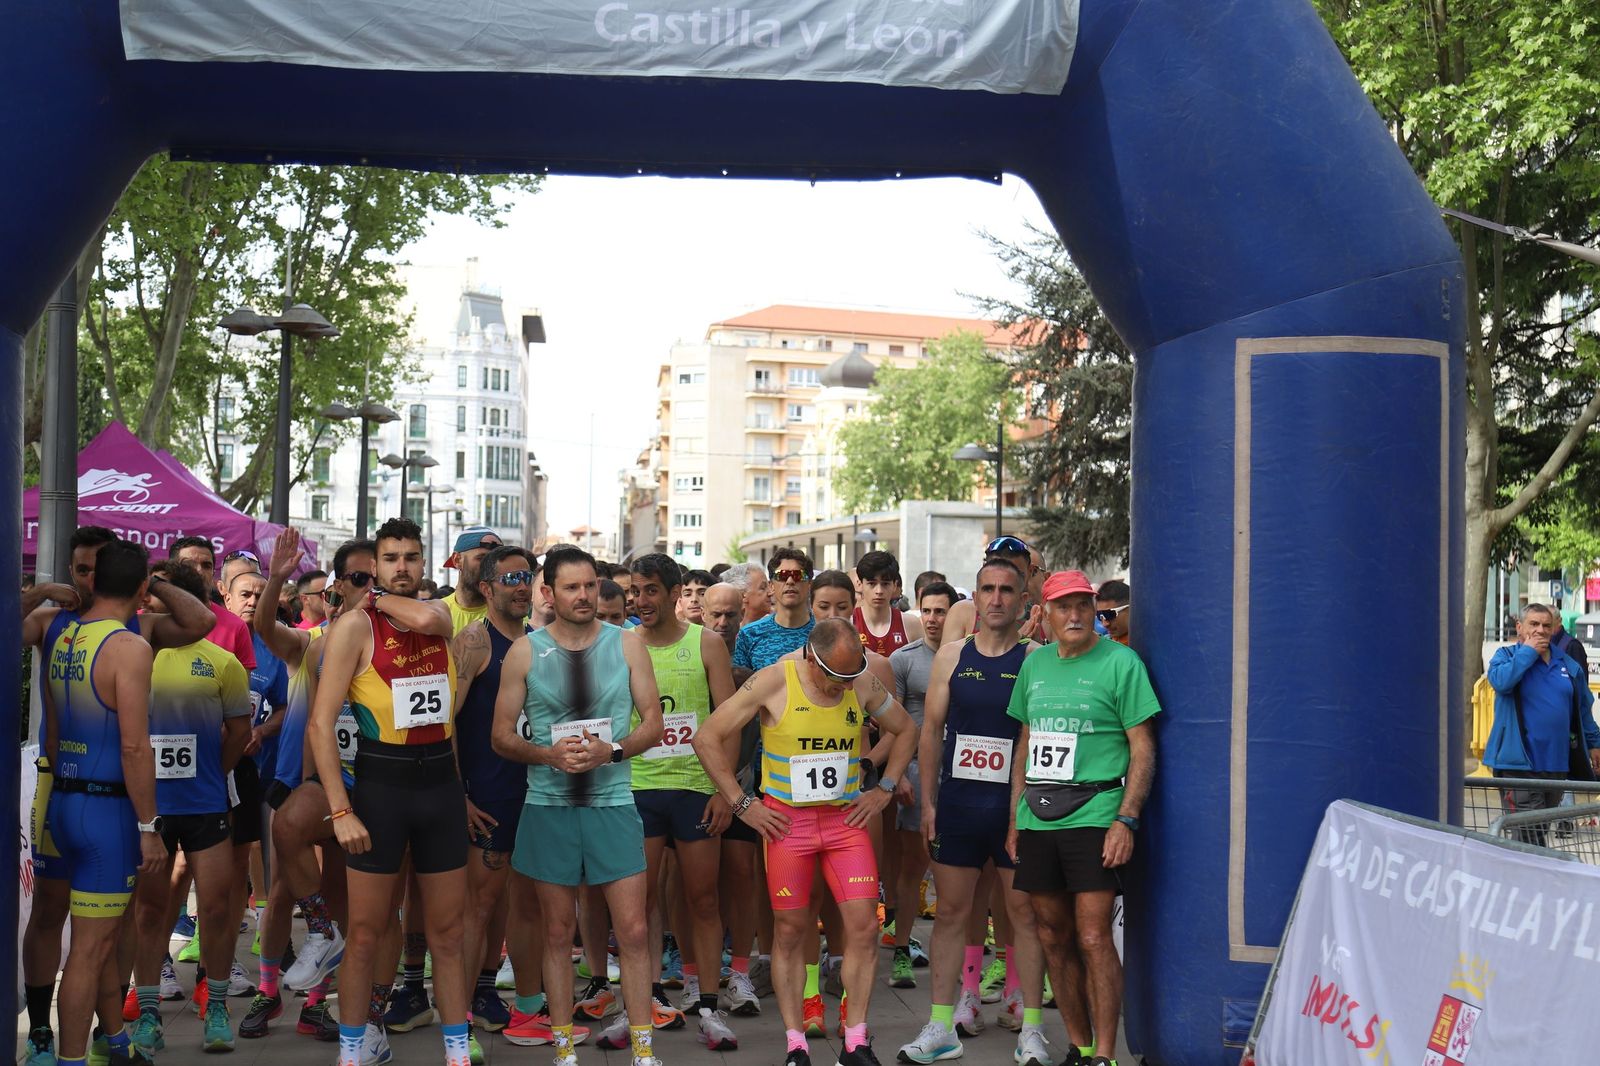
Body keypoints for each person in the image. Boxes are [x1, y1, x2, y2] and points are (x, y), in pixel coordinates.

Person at [695, 618, 918, 1066]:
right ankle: (796, 1043)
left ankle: (856, 1039)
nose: (844, 685)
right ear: (811, 659)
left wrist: (885, 788)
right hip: (787, 825)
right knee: (792, 932)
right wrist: (741, 804)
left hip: (844, 821)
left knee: (865, 928)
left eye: (851, 675)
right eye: (835, 675)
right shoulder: (774, 680)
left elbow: (907, 729)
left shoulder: (860, 681)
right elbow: (707, 738)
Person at [491, 545, 666, 1066]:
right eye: (572, 587)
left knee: (632, 930)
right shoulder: (525, 652)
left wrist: (610, 750)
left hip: (613, 801)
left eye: (590, 585)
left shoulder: (628, 644)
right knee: (556, 930)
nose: (585, 595)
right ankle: (564, 1049)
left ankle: (643, 1050)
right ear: (549, 594)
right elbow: (500, 736)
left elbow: (654, 724)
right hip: (549, 806)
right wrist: (547, 754)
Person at [309, 518, 468, 1066]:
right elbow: (319, 724)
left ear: (424, 564)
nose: (403, 566)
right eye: (392, 557)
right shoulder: (354, 627)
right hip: (382, 786)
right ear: (375, 565)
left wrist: (378, 594)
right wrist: (340, 809)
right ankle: (352, 1053)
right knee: (366, 932)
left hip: (441, 788)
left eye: (412, 557)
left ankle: (456, 1054)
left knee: (448, 934)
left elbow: (427, 615)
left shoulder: (439, 615)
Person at [898, 560, 1051, 1066]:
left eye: (1008, 589)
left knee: (1023, 916)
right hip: (959, 806)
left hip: (1015, 812)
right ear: (977, 597)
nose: (997, 598)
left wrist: (1026, 809)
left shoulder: (1036, 658)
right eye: (988, 588)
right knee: (951, 916)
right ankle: (942, 1024)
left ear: (1023, 599)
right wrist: (929, 804)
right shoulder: (951, 657)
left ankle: (1031, 1029)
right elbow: (930, 732)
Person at [1006, 571, 1160, 1066]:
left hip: (1096, 812)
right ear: (1043, 614)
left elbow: (1143, 747)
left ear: (1095, 609)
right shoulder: (1036, 666)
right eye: (1064, 606)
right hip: (1040, 818)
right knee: (1051, 933)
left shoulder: (1122, 662)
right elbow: (1026, 743)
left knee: (1093, 935)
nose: (1075, 615)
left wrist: (1126, 819)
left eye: (1083, 606)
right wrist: (1015, 818)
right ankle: (1080, 1044)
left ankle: (1106, 1056)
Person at [605, 553, 740, 1050]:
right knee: (637, 905)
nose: (640, 601)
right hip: (636, 788)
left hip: (695, 790)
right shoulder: (619, 644)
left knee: (702, 899)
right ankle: (639, 1004)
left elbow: (728, 720)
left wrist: (727, 794)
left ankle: (707, 1005)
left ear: (674, 592)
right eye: (634, 591)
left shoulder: (704, 643)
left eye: (649, 591)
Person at [42, 539, 167, 1066]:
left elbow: (52, 731)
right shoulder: (129, 648)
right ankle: (74, 1058)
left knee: (100, 939)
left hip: (64, 801)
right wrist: (149, 825)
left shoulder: (64, 636)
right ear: (142, 590)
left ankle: (115, 1043)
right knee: (91, 952)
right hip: (107, 813)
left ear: (92, 582)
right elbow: (135, 746)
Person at [249, 532, 377, 1043]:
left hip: (362, 785)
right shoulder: (311, 644)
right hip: (300, 780)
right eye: (362, 578)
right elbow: (264, 628)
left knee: (342, 894)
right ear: (338, 587)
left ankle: (319, 1003)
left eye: (378, 578)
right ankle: (267, 990)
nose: (373, 588)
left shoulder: (393, 642)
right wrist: (277, 576)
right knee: (282, 890)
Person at [129, 560, 253, 1055]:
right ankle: (149, 1011)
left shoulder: (220, 661)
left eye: (160, 600)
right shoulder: (132, 653)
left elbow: (240, 732)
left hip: (205, 805)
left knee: (219, 908)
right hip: (150, 808)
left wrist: (212, 775)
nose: (150, 608)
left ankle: (217, 1006)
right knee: (151, 909)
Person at [447, 545, 561, 1044]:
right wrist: (458, 795)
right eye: (510, 578)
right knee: (479, 904)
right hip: (486, 791)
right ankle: (462, 1020)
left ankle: (524, 1007)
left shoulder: (541, 642)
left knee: (529, 904)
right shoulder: (472, 642)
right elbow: (443, 724)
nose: (521, 586)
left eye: (527, 577)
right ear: (487, 588)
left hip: (537, 789)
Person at [885, 579, 956, 990]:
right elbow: (891, 726)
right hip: (914, 774)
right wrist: (898, 779)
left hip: (963, 775)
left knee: (958, 874)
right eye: (926, 611)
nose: (932, 619)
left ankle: (966, 960)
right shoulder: (902, 660)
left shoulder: (968, 657)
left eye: (941, 611)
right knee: (913, 870)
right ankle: (900, 950)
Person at [1485, 602, 1600, 846]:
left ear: (1554, 628)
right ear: (1520, 627)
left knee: (1535, 836)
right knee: (1529, 839)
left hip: (1556, 766)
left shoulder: (1568, 666)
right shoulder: (1505, 657)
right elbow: (1502, 682)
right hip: (1518, 766)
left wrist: (1594, 743)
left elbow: (1583, 710)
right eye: (1533, 624)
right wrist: (1528, 652)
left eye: (1546, 625)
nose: (1540, 630)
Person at [169, 536, 258, 670]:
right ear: (171, 570)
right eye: (188, 564)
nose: (199, 571)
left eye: (206, 565)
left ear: (212, 573)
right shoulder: (148, 620)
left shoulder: (236, 627)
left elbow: (240, 689)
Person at [731, 550, 815, 685]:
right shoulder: (749, 634)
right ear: (771, 586)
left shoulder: (824, 632)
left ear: (809, 584)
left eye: (797, 575)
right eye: (782, 576)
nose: (790, 581)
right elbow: (741, 689)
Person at [943, 538, 1043, 643]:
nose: (1005, 578)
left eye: (1015, 572)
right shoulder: (963, 612)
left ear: (1030, 571)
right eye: (996, 571)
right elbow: (947, 657)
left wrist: (1038, 649)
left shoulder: (1044, 617)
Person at [853, 551, 923, 657]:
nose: (879, 591)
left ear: (895, 585)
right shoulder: (848, 623)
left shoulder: (911, 624)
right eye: (872, 583)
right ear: (860, 584)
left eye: (885, 584)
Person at [442, 526, 504, 635]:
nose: (491, 568)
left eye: (496, 561)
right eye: (482, 558)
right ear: (457, 560)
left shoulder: (510, 617)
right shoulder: (438, 613)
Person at [722, 562, 771, 627]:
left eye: (769, 586)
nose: (770, 592)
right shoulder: (724, 631)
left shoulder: (777, 629)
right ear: (742, 595)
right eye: (763, 588)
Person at [702, 583, 743, 659]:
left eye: (730, 615)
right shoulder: (689, 653)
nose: (723, 623)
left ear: (742, 614)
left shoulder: (754, 654)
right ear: (703, 614)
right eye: (716, 615)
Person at [1092, 581, 1129, 646]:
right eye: (1099, 615)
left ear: (1130, 608)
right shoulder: (1102, 644)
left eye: (1109, 614)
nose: (1105, 624)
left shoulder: (1147, 644)